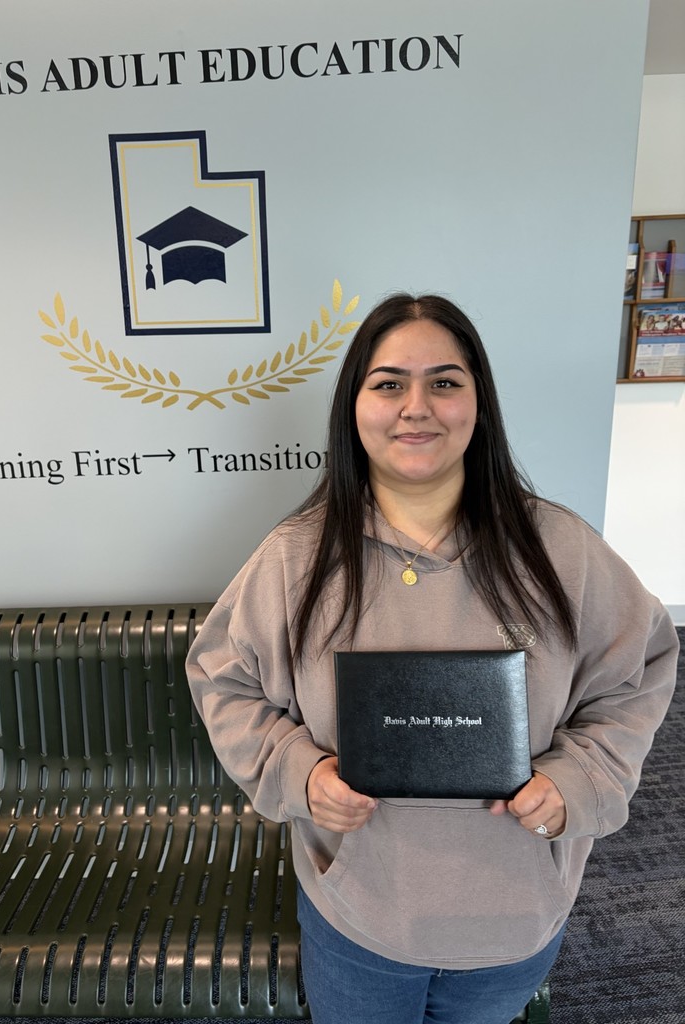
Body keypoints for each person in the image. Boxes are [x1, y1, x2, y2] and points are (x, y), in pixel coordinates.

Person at [186, 293, 678, 1024]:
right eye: (389, 384)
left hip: (518, 910)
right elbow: (223, 678)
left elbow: (638, 675)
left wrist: (579, 780)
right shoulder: (298, 557)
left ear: (478, 403)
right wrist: (300, 773)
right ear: (355, 405)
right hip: (361, 911)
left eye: (444, 382)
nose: (416, 406)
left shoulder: (562, 550)